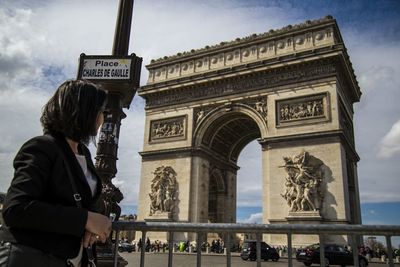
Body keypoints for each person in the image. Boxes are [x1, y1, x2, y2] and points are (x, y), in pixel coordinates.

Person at [0, 79, 112, 267]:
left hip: (67, 259)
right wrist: (85, 219)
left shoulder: (83, 153)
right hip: (33, 256)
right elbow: (16, 209)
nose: (104, 117)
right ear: (84, 110)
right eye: (102, 111)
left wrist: (90, 223)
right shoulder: (42, 147)